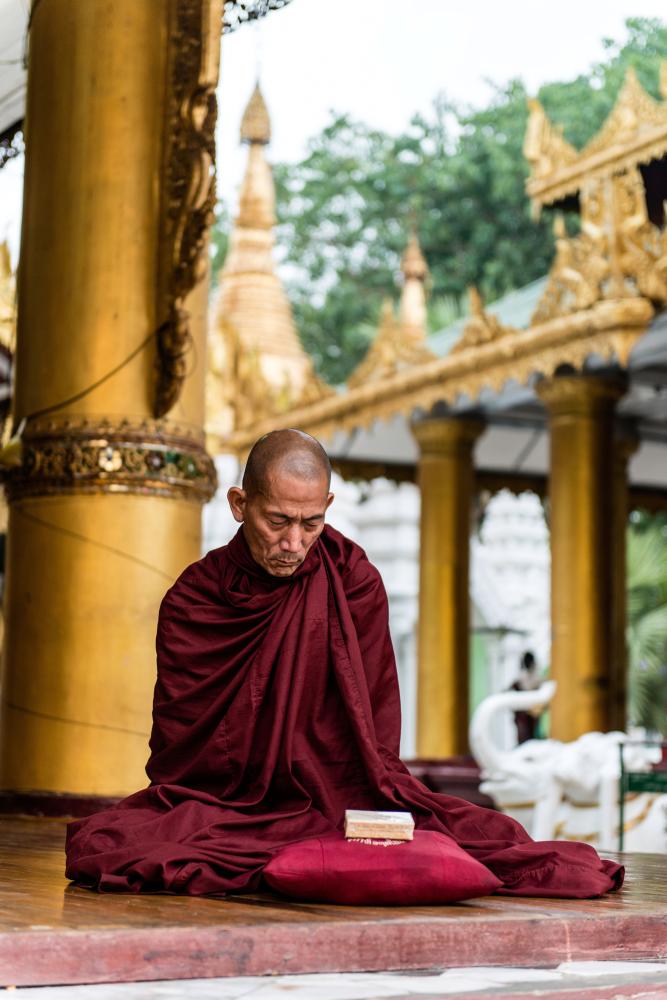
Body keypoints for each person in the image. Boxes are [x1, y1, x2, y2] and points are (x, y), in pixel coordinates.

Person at [66, 430, 622, 899]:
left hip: (339, 794)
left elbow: (374, 725)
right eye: (277, 520)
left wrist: (341, 787)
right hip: (222, 803)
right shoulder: (195, 599)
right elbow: (182, 752)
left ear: (328, 508)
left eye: (310, 524)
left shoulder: (352, 579)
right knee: (112, 843)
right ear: (239, 506)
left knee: (486, 833)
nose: (293, 542)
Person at [509, 651, 543, 744]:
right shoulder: (518, 682)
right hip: (522, 719)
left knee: (532, 739)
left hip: (533, 717)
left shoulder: (537, 680)